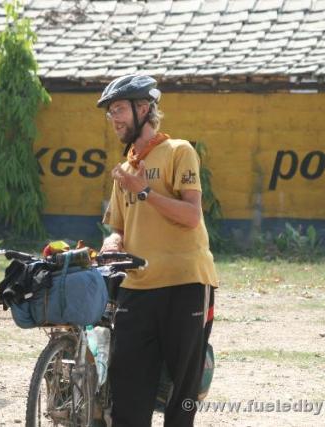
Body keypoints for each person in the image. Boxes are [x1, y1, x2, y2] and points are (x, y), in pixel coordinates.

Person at [98, 75, 218, 427]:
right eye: (111, 112)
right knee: (128, 392)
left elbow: (192, 215)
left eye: (118, 109)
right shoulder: (125, 169)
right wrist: (112, 242)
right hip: (137, 287)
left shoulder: (179, 151)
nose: (114, 118)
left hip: (187, 284)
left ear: (144, 108)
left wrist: (145, 190)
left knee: (181, 392)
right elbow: (118, 226)